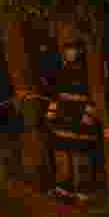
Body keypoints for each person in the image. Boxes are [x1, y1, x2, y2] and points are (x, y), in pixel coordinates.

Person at [45, 40, 101, 194]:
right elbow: (56, 96)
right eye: (67, 51)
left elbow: (94, 98)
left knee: (80, 159)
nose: (69, 54)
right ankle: (63, 188)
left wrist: (87, 120)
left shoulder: (88, 74)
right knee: (62, 157)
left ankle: (83, 191)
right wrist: (50, 115)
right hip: (62, 125)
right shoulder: (63, 72)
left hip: (80, 127)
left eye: (72, 50)